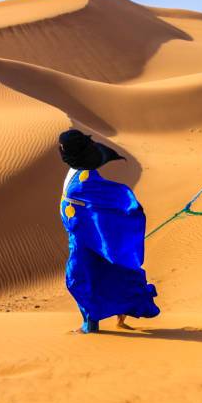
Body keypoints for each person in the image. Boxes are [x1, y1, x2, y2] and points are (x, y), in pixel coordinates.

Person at [58, 129, 160, 333]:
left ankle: (90, 324)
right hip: (84, 237)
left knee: (78, 278)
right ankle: (93, 320)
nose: (60, 150)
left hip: (85, 238)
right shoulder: (79, 172)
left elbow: (113, 196)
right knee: (94, 276)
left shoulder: (85, 179)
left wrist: (130, 209)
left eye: (63, 148)